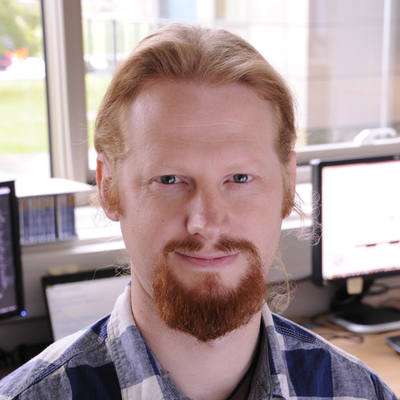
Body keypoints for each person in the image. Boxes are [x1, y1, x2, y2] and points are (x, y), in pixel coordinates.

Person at [0, 24, 396, 400]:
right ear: (108, 187)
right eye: (169, 179)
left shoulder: (360, 392)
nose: (205, 222)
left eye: (239, 178)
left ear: (288, 183)